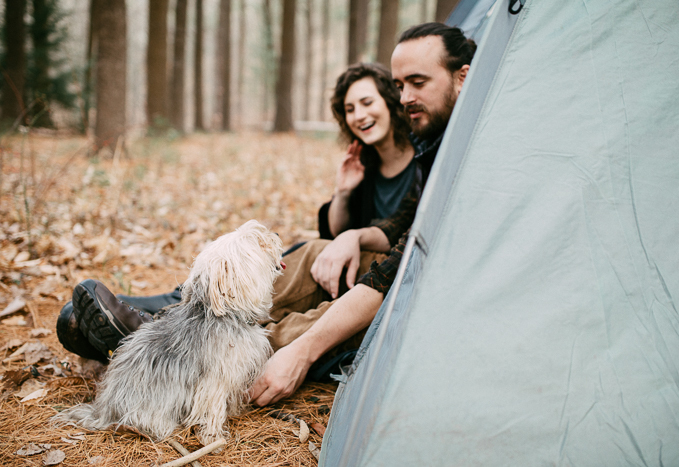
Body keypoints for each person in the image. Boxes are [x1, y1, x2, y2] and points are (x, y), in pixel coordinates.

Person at [58, 22, 477, 408]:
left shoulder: (468, 152)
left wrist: (303, 350)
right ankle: (175, 317)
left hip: (426, 300)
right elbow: (393, 229)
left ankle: (207, 351)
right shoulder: (434, 145)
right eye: (400, 85)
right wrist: (351, 219)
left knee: (335, 303)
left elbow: (396, 270)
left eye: (415, 83)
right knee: (316, 250)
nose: (404, 98)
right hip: (382, 273)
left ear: (463, 76)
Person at [318, 62, 416, 240]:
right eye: (350, 109)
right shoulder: (364, 164)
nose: (359, 116)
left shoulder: (425, 156)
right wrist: (343, 192)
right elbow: (336, 232)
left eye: (367, 103)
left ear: (390, 102)